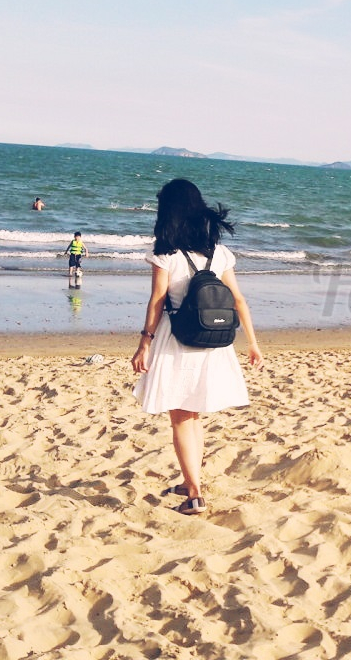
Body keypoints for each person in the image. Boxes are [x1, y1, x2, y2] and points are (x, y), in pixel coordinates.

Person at [131, 178, 263, 516]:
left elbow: (157, 301)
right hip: (213, 343)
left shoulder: (165, 254)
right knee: (193, 416)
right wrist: (253, 343)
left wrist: (144, 343)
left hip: (177, 342)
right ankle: (191, 481)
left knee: (180, 418)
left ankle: (194, 495)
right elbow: (238, 299)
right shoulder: (219, 253)